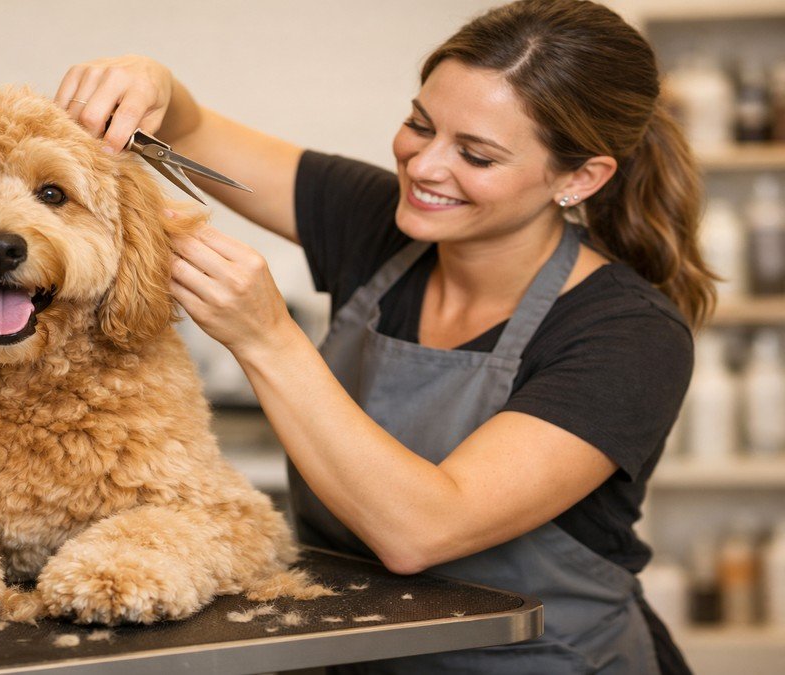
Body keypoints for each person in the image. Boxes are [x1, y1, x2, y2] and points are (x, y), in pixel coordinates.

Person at [56, 0, 711, 672]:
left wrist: (265, 337)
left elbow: (422, 530)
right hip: (355, 654)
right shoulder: (377, 221)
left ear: (580, 178)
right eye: (418, 124)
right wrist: (153, 82)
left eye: (476, 155)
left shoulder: (629, 335)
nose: (424, 166)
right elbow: (189, 129)